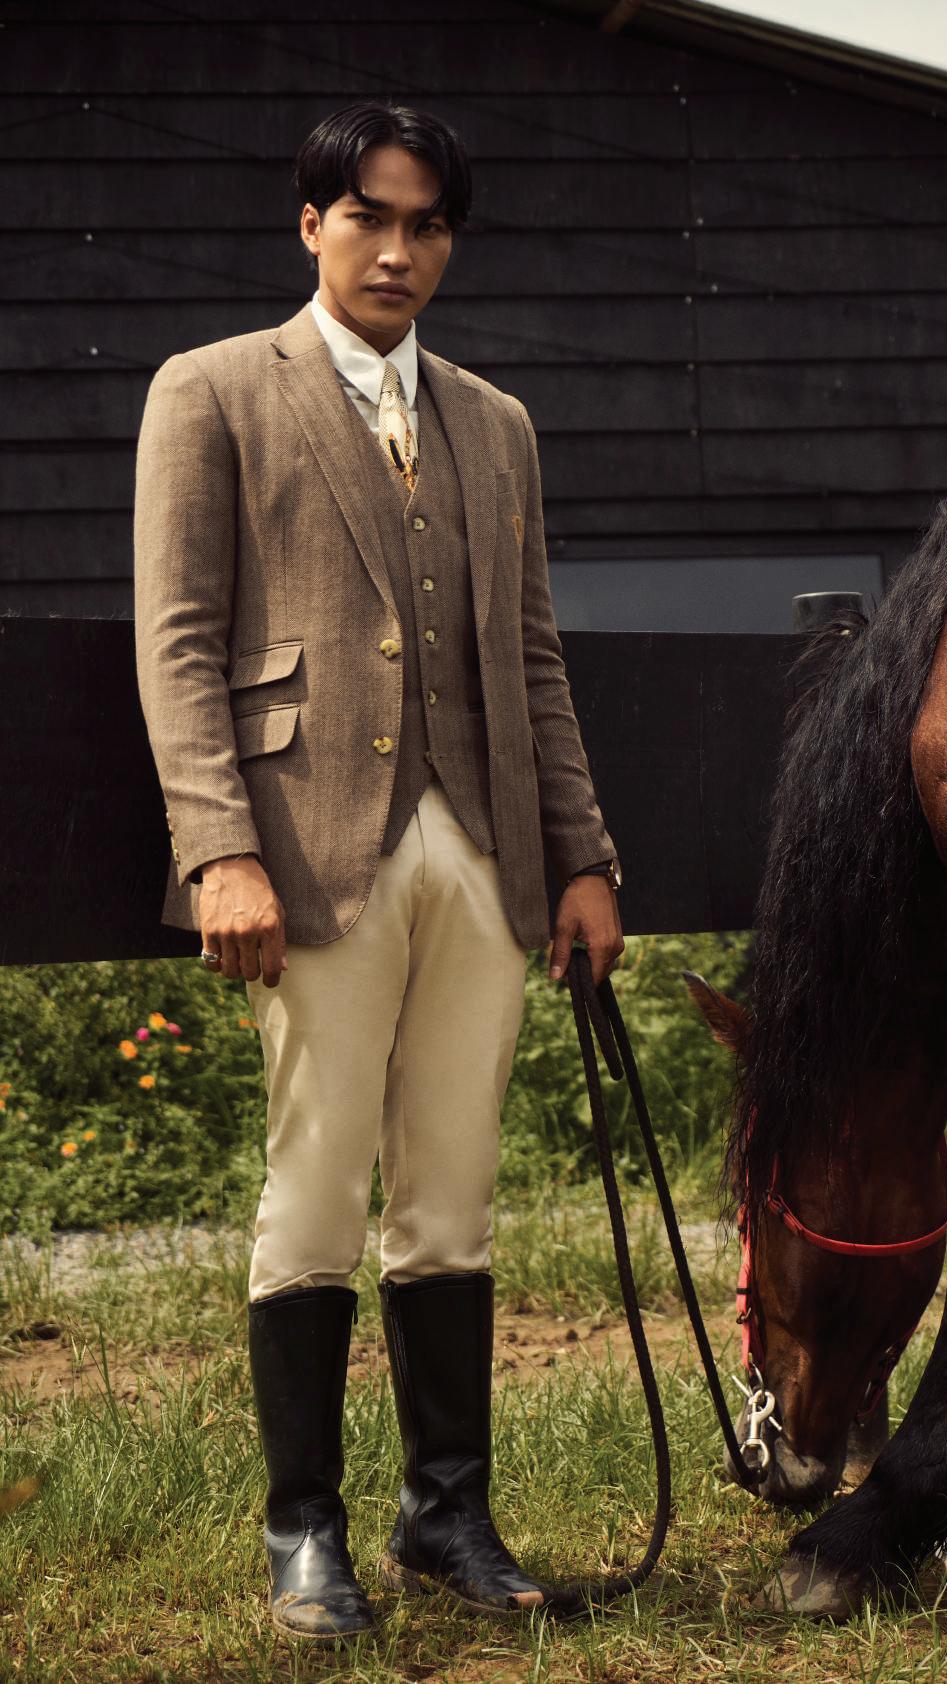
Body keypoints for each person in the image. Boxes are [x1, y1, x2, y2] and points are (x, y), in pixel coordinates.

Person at [132, 99, 623, 1641]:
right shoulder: (212, 390)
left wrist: (583, 855)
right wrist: (219, 850)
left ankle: (446, 1516)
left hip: (480, 851)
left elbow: (533, 658)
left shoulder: (498, 423)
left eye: (427, 225)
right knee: (318, 1183)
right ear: (312, 224)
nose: (398, 249)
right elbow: (178, 644)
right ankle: (304, 1534)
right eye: (369, 217)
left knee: (454, 1192)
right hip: (306, 851)